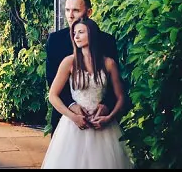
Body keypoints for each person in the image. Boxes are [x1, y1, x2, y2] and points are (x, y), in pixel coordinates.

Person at [41, 17, 132, 168]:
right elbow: (53, 95)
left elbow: (121, 97)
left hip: (102, 126)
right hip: (73, 125)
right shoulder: (69, 62)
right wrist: (73, 117)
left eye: (81, 32)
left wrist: (109, 118)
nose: (76, 36)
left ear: (92, 34)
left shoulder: (109, 63)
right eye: (74, 33)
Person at [46, 0, 118, 131]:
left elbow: (115, 83)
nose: (70, 15)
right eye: (67, 10)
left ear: (89, 12)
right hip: (66, 116)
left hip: (100, 119)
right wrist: (72, 105)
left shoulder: (107, 41)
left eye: (76, 10)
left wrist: (106, 106)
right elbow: (51, 80)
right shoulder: (55, 41)